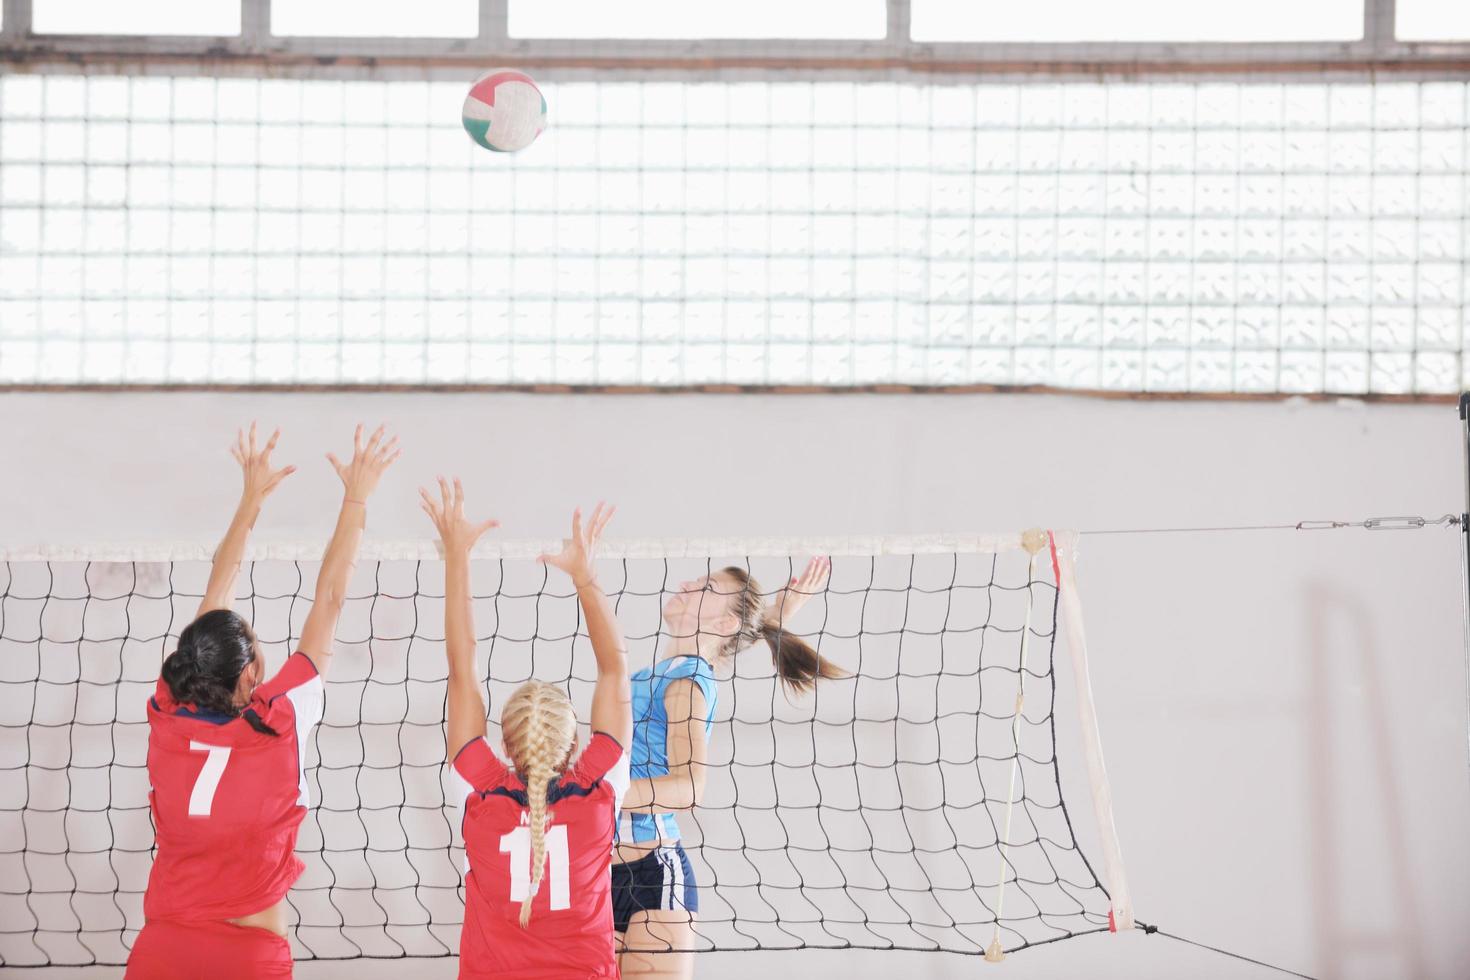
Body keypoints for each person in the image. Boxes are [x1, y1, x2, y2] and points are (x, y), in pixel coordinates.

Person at [125, 423, 399, 980]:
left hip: (161, 950)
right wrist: (356, 496)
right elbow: (331, 597)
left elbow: (213, 599)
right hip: (248, 957)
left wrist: (249, 498)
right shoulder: (279, 720)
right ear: (252, 673)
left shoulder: (168, 713)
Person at [422, 479, 630, 979]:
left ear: (505, 745)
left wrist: (457, 557)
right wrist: (583, 574)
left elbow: (461, 669)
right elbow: (614, 671)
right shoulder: (600, 790)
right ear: (575, 741)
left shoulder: (478, 788)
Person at [614, 557, 839, 979]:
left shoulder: (688, 682)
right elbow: (727, 637)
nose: (688, 583)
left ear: (724, 623)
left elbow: (689, 787)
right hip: (600, 869)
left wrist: (597, 794)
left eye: (706, 587)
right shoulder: (665, 673)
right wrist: (776, 613)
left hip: (652, 873)